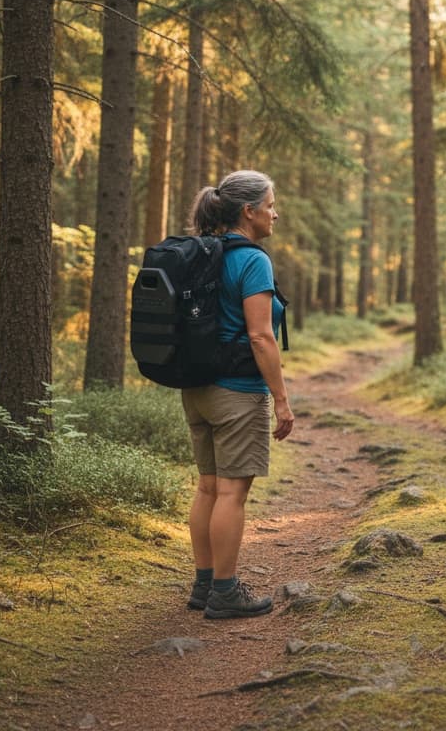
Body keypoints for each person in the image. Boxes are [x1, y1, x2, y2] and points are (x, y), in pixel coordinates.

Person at [180, 169, 294, 619]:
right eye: (270, 204)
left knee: (208, 488)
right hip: (238, 393)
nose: (275, 212)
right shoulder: (252, 260)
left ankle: (204, 583)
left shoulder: (202, 253)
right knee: (231, 494)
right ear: (248, 211)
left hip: (197, 389)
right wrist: (281, 399)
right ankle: (225, 592)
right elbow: (261, 337)